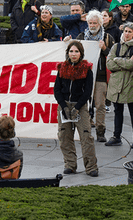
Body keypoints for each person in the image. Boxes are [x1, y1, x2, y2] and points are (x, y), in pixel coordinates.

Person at [54, 41, 98, 176]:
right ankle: (70, 164)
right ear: (67, 53)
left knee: (86, 136)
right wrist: (64, 106)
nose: (73, 54)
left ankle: (91, 167)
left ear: (81, 53)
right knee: (64, 137)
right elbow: (57, 90)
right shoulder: (62, 68)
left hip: (80, 106)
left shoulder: (86, 69)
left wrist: (77, 107)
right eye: (71, 51)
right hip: (64, 105)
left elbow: (88, 91)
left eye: (76, 51)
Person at [75, 10, 115, 142]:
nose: (92, 25)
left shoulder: (107, 38)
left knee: (100, 105)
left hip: (100, 76)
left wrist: (104, 49)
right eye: (90, 23)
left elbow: (113, 56)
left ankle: (100, 131)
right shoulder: (81, 36)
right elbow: (73, 53)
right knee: (84, 104)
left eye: (95, 23)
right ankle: (85, 130)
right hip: (84, 76)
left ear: (100, 23)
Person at [105, 22, 133, 148]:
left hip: (130, 82)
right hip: (116, 83)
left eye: (129, 32)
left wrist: (117, 60)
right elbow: (109, 64)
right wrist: (124, 62)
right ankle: (116, 136)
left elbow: (132, 64)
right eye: (125, 31)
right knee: (117, 110)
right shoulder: (116, 46)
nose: (126, 34)